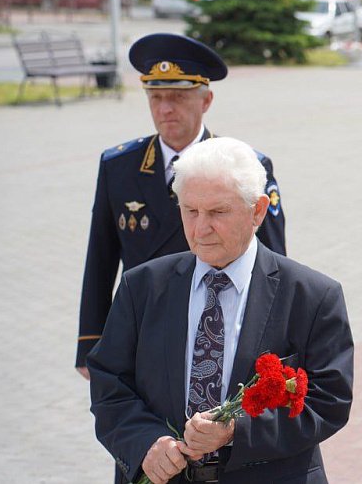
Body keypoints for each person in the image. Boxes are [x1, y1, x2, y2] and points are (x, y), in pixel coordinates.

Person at [87, 137, 352, 484]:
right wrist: (146, 443)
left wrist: (236, 432)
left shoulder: (312, 296)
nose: (200, 228)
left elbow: (329, 401)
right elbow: (109, 384)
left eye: (218, 212)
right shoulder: (142, 287)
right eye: (190, 211)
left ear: (257, 210)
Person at [76, 33, 287, 379]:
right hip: (142, 327)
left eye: (177, 97)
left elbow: (273, 262)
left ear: (206, 101)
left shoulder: (245, 166)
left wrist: (274, 346)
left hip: (215, 328)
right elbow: (100, 257)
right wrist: (90, 341)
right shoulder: (119, 165)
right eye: (155, 97)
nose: (165, 109)